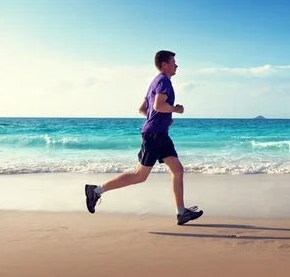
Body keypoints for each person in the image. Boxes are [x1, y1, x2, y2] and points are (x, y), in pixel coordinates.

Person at [84, 50, 203, 225]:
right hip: (154, 135)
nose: (176, 65)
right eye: (173, 62)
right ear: (164, 64)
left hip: (160, 134)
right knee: (139, 176)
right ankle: (96, 191)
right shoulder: (163, 81)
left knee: (177, 169)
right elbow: (159, 105)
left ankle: (181, 212)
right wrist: (176, 109)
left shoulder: (155, 82)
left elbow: (143, 109)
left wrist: (161, 119)